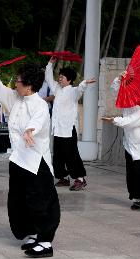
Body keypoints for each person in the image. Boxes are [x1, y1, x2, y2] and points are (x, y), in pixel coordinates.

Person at [0, 61, 60, 258]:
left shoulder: (40, 104)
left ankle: (45, 241)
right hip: (18, 158)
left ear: (28, 85)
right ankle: (32, 233)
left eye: (18, 81)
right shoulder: (14, 98)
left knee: (40, 200)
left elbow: (39, 121)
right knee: (18, 200)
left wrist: (29, 130)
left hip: (36, 161)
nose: (15, 83)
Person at [102, 75, 140, 210]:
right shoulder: (127, 102)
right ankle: (137, 198)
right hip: (130, 144)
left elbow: (131, 121)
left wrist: (115, 120)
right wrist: (119, 79)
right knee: (132, 173)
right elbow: (115, 89)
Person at [45, 57, 96, 191]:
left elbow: (80, 89)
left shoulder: (73, 92)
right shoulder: (56, 89)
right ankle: (63, 178)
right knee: (58, 156)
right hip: (57, 130)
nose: (60, 79)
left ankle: (80, 179)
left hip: (68, 130)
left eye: (62, 77)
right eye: (60, 76)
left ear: (69, 80)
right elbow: (49, 78)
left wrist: (85, 82)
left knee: (72, 155)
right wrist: (50, 64)